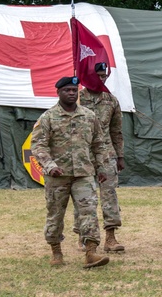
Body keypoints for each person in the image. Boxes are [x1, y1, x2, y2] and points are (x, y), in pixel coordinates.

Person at [31, 76, 111, 269]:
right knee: (55, 214)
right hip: (57, 176)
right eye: (67, 90)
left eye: (74, 90)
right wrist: (50, 165)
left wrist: (101, 167)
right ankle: (56, 251)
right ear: (58, 92)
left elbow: (99, 144)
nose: (71, 93)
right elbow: (38, 145)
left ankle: (91, 252)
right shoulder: (48, 117)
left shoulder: (89, 116)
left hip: (84, 174)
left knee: (89, 212)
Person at [75, 62, 126, 253]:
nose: (102, 78)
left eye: (104, 75)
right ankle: (83, 236)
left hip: (106, 155)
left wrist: (120, 156)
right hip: (82, 155)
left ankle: (111, 238)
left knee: (109, 195)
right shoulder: (77, 98)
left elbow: (116, 131)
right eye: (98, 75)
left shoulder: (111, 101)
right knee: (83, 196)